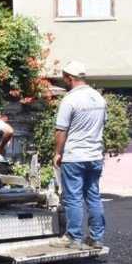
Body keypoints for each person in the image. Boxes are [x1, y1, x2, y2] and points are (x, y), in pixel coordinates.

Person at [49, 61, 108, 250]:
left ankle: (73, 237)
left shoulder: (70, 100)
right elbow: (101, 125)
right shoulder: (99, 98)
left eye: (64, 78)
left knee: (73, 197)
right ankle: (96, 238)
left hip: (74, 157)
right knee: (93, 196)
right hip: (95, 156)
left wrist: (58, 153)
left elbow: (61, 131)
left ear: (69, 78)